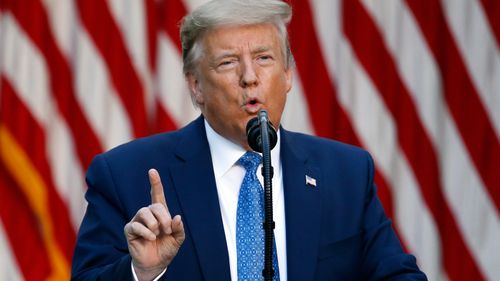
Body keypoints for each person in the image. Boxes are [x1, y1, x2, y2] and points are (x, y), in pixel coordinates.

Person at [71, 1, 427, 280]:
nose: (249, 77)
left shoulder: (345, 173)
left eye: (264, 58)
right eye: (227, 63)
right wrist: (141, 273)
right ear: (195, 86)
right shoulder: (124, 174)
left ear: (288, 74)